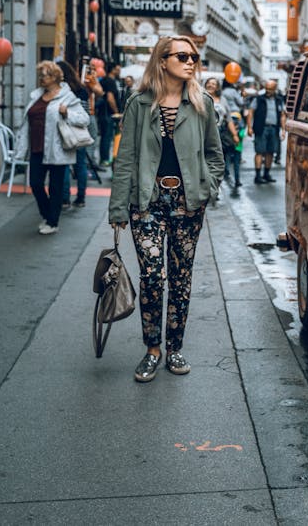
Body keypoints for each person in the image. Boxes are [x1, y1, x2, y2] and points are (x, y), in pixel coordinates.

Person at [109, 36, 223, 383]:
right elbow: (126, 158)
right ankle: (152, 349)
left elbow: (216, 155)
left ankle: (174, 347)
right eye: (183, 56)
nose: (191, 62)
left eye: (194, 57)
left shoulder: (201, 102)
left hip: (188, 202)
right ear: (162, 61)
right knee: (153, 277)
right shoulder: (139, 104)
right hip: (147, 201)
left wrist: (208, 187)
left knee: (181, 278)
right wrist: (118, 209)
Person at [16, 60, 90, 235]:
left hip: (56, 149)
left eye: (46, 74)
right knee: (35, 183)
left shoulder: (68, 96)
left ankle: (53, 222)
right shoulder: (36, 96)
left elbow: (84, 119)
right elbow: (27, 123)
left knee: (56, 188)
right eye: (40, 74)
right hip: (36, 148)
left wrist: (67, 113)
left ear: (56, 77)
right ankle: (47, 214)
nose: (42, 77)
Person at [59, 60, 93, 208]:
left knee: (65, 164)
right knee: (81, 165)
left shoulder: (60, 92)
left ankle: (65, 199)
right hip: (79, 131)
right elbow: (86, 114)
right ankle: (81, 198)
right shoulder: (81, 90)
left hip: (64, 131)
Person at [204, 77, 241, 187]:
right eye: (209, 83)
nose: (211, 85)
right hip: (203, 132)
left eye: (214, 84)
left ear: (217, 87)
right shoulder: (199, 97)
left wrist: (234, 135)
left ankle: (215, 186)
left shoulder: (222, 99)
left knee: (217, 160)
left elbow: (228, 118)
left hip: (219, 133)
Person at [247, 79, 285, 183]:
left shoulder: (279, 100)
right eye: (267, 88)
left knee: (270, 152)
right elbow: (251, 112)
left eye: (270, 89)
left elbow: (282, 115)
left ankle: (266, 174)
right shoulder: (259, 99)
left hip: (274, 129)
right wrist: (249, 127)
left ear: (275, 89)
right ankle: (258, 176)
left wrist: (283, 130)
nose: (268, 91)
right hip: (261, 128)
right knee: (259, 151)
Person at [97, 63, 121, 166]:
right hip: (108, 114)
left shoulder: (104, 80)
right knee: (107, 136)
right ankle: (105, 159)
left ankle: (103, 158)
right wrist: (116, 112)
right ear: (112, 70)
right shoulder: (110, 81)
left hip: (102, 112)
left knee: (104, 136)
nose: (119, 71)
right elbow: (110, 98)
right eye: (117, 69)